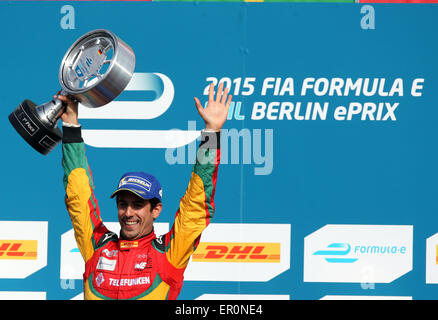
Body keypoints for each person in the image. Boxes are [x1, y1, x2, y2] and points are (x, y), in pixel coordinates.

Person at [58, 82, 232, 300]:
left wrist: (212, 133)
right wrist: (71, 129)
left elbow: (195, 208)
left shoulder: (167, 253)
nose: (128, 212)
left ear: (156, 209)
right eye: (123, 204)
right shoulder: (97, 246)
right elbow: (78, 197)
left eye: (138, 204)